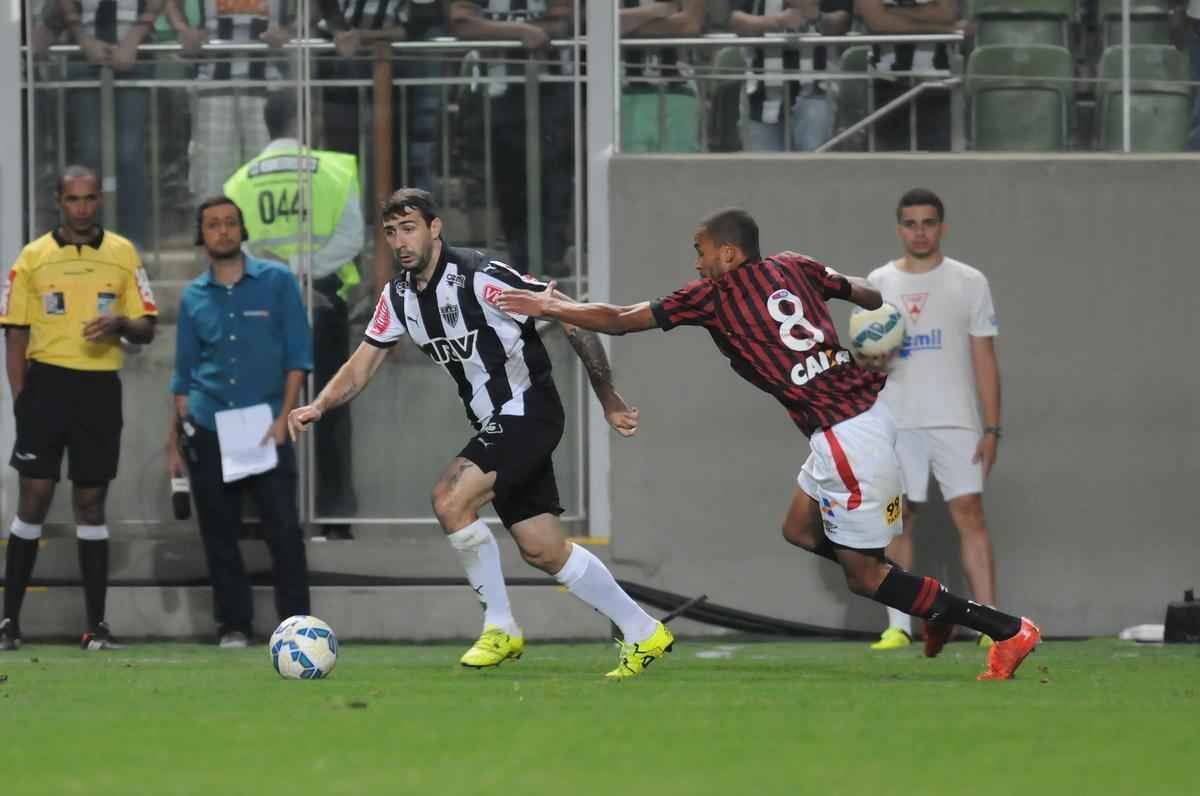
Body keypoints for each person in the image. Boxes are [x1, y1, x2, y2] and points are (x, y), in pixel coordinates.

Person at [495, 207, 1041, 681]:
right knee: (798, 528)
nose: (696, 263)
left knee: (867, 577)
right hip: (861, 412)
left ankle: (1001, 627)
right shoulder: (795, 265)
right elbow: (870, 293)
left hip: (847, 434)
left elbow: (618, 320)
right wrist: (865, 315)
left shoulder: (712, 296)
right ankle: (925, 598)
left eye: (701, 252)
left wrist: (550, 307)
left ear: (729, 255)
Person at [288, 188, 673, 678]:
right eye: (390, 232)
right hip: (495, 422)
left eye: (409, 228)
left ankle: (500, 626)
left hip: (529, 410)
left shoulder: (482, 278)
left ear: (434, 228)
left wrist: (608, 398)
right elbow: (361, 366)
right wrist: (318, 405)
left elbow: (570, 318)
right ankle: (644, 632)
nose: (400, 241)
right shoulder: (399, 297)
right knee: (542, 548)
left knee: (450, 498)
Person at [0, 165, 159, 652]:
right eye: (74, 199)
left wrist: (120, 322)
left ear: (99, 202)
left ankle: (96, 626)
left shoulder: (122, 253)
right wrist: (21, 402)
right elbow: (15, 334)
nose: (83, 208)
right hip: (46, 387)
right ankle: (9, 623)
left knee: (91, 502)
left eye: (90, 198)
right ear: (58, 202)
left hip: (98, 389)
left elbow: (148, 327)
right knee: (35, 497)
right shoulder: (33, 258)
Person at [167, 196, 313, 648]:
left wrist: (283, 418)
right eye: (213, 225)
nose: (223, 231)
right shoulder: (193, 297)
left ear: (242, 230)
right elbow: (183, 375)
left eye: (231, 223)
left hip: (266, 425)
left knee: (284, 530)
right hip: (209, 424)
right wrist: (175, 438)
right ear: (202, 235)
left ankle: (298, 626)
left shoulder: (278, 282)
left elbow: (298, 358)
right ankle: (233, 623)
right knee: (218, 531)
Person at [861, 189, 1002, 651]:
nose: (919, 231)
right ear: (898, 228)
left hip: (956, 420)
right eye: (910, 223)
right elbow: (867, 361)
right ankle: (899, 627)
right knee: (899, 519)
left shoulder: (970, 281)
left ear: (941, 226)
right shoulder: (877, 283)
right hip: (897, 421)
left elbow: (984, 357)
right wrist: (873, 360)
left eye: (928, 222)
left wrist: (992, 426)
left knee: (971, 515)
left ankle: (990, 625)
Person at [223, 90, 363, 540]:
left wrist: (279, 274)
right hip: (320, 300)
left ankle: (252, 517)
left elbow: (235, 247)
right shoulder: (336, 170)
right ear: (304, 120)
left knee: (253, 406)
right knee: (329, 407)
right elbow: (351, 239)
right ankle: (334, 516)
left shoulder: (239, 182)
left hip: (258, 302)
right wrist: (304, 273)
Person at [450, 0, 574, 275]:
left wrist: (495, 30)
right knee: (511, 182)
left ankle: (551, 255)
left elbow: (562, 23)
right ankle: (522, 262)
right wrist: (520, 31)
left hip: (553, 89)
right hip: (499, 93)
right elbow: (463, 25)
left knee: (556, 176)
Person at [59, 0, 165, 248]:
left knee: (130, 153)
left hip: (137, 55)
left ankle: (131, 243)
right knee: (90, 153)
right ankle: (87, 241)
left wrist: (135, 37)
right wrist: (83, 38)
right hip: (83, 55)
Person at [166, 0, 294, 203]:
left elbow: (314, 7)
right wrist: (183, 29)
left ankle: (265, 235)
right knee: (212, 182)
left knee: (270, 180)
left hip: (267, 87)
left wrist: (290, 30)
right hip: (213, 86)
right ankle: (213, 234)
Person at [317, 0, 445, 195]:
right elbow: (327, 10)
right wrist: (340, 32)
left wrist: (361, 36)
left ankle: (395, 220)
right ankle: (350, 219)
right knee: (342, 154)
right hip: (342, 68)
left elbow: (418, 23)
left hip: (399, 68)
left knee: (399, 157)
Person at [729, 0, 851, 152]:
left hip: (816, 91)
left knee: (814, 170)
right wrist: (775, 21)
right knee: (764, 172)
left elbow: (843, 23)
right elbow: (736, 21)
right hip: (760, 95)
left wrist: (816, 16)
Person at [852, 0, 962, 151]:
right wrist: (940, 27)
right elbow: (879, 22)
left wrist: (894, 11)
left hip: (938, 83)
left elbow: (947, 14)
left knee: (938, 160)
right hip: (886, 83)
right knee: (886, 161)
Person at [619, 0, 705, 153]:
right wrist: (655, 11)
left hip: (678, 95)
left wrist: (632, 23)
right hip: (627, 94)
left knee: (682, 170)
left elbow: (691, 24)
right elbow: (607, 24)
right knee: (631, 170)